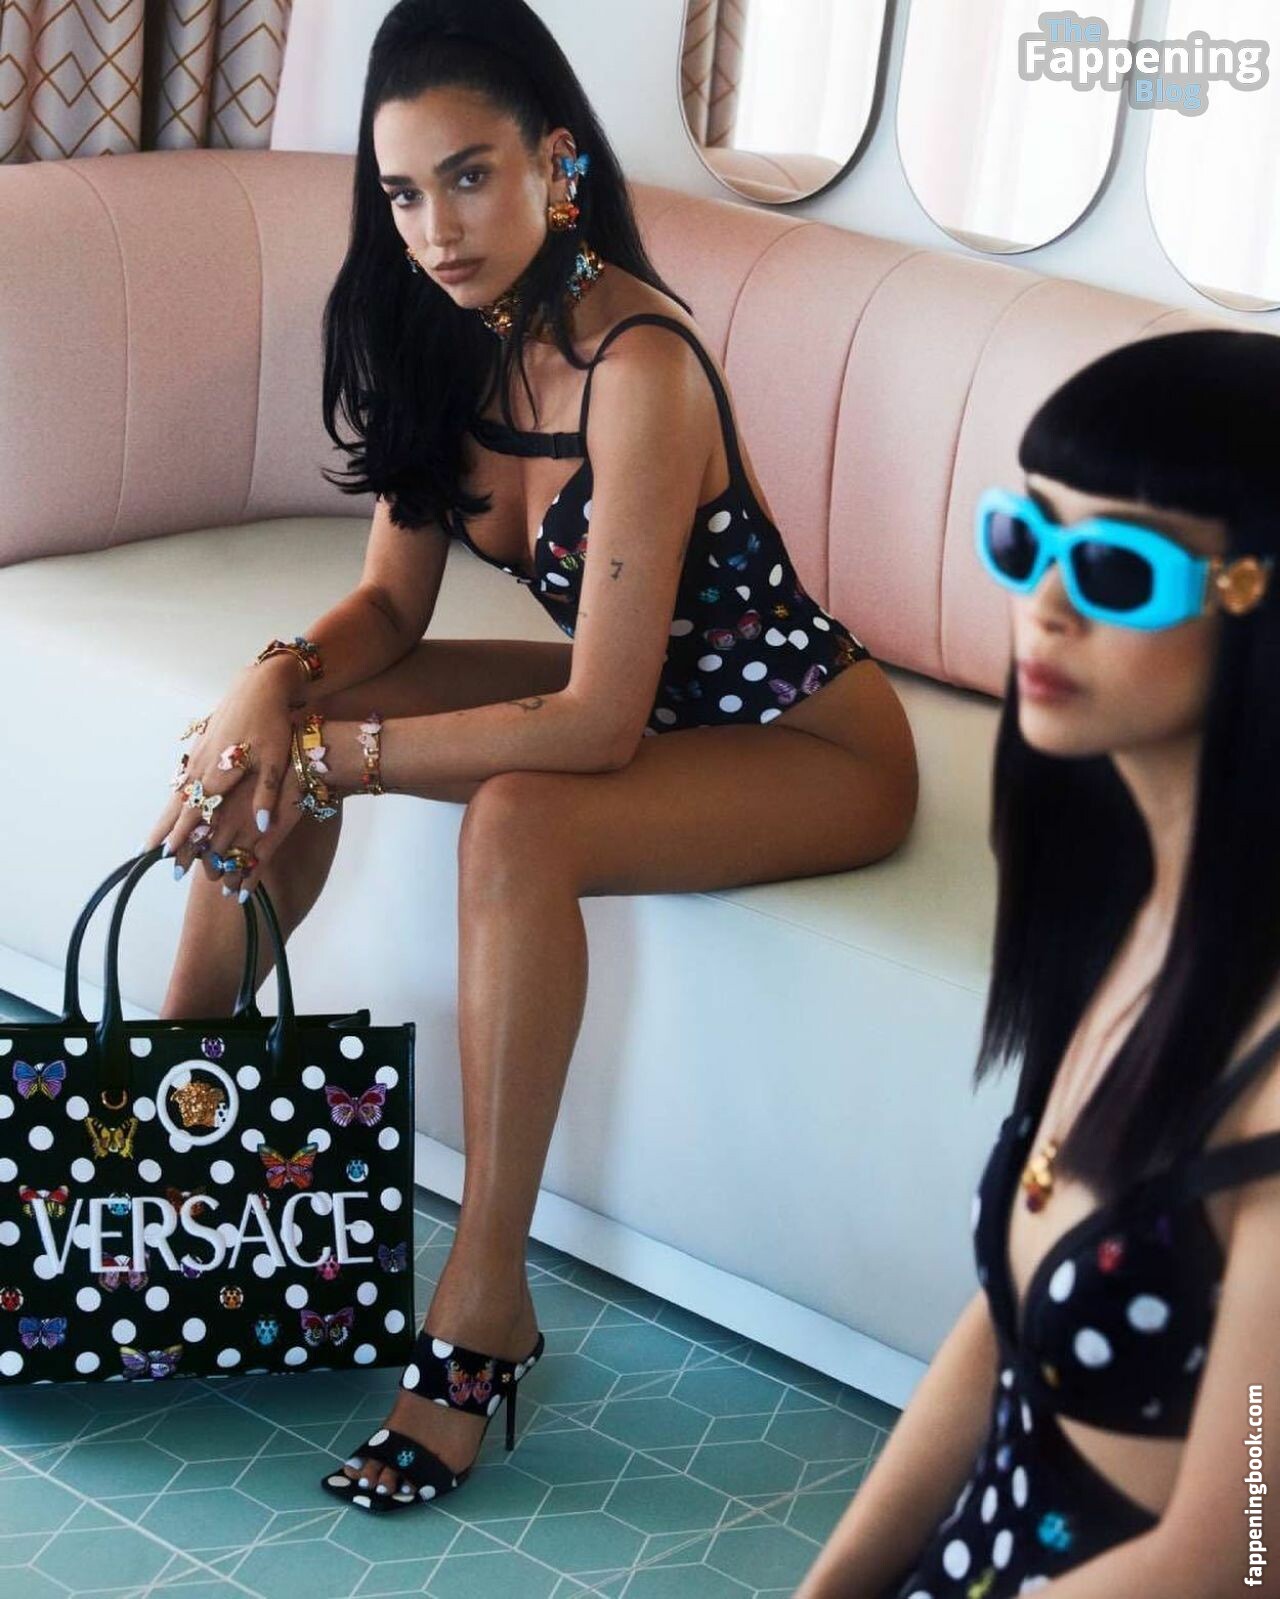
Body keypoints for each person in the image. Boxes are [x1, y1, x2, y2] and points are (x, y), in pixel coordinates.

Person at [142, 0, 917, 1516]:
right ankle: (167, 1118)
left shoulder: (640, 366)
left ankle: (481, 1299)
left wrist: (344, 758)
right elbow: (388, 607)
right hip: (649, 705)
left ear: (556, 166)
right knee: (287, 725)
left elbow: (596, 725)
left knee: (515, 819)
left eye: (469, 177)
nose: (435, 229)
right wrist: (272, 686)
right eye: (402, 193)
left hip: (799, 736)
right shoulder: (438, 336)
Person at [794, 328, 1280, 1598]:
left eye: (1115, 567)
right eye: (1023, 541)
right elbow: (1003, 1334)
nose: (1044, 604)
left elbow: (1238, 1553)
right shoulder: (1124, 915)